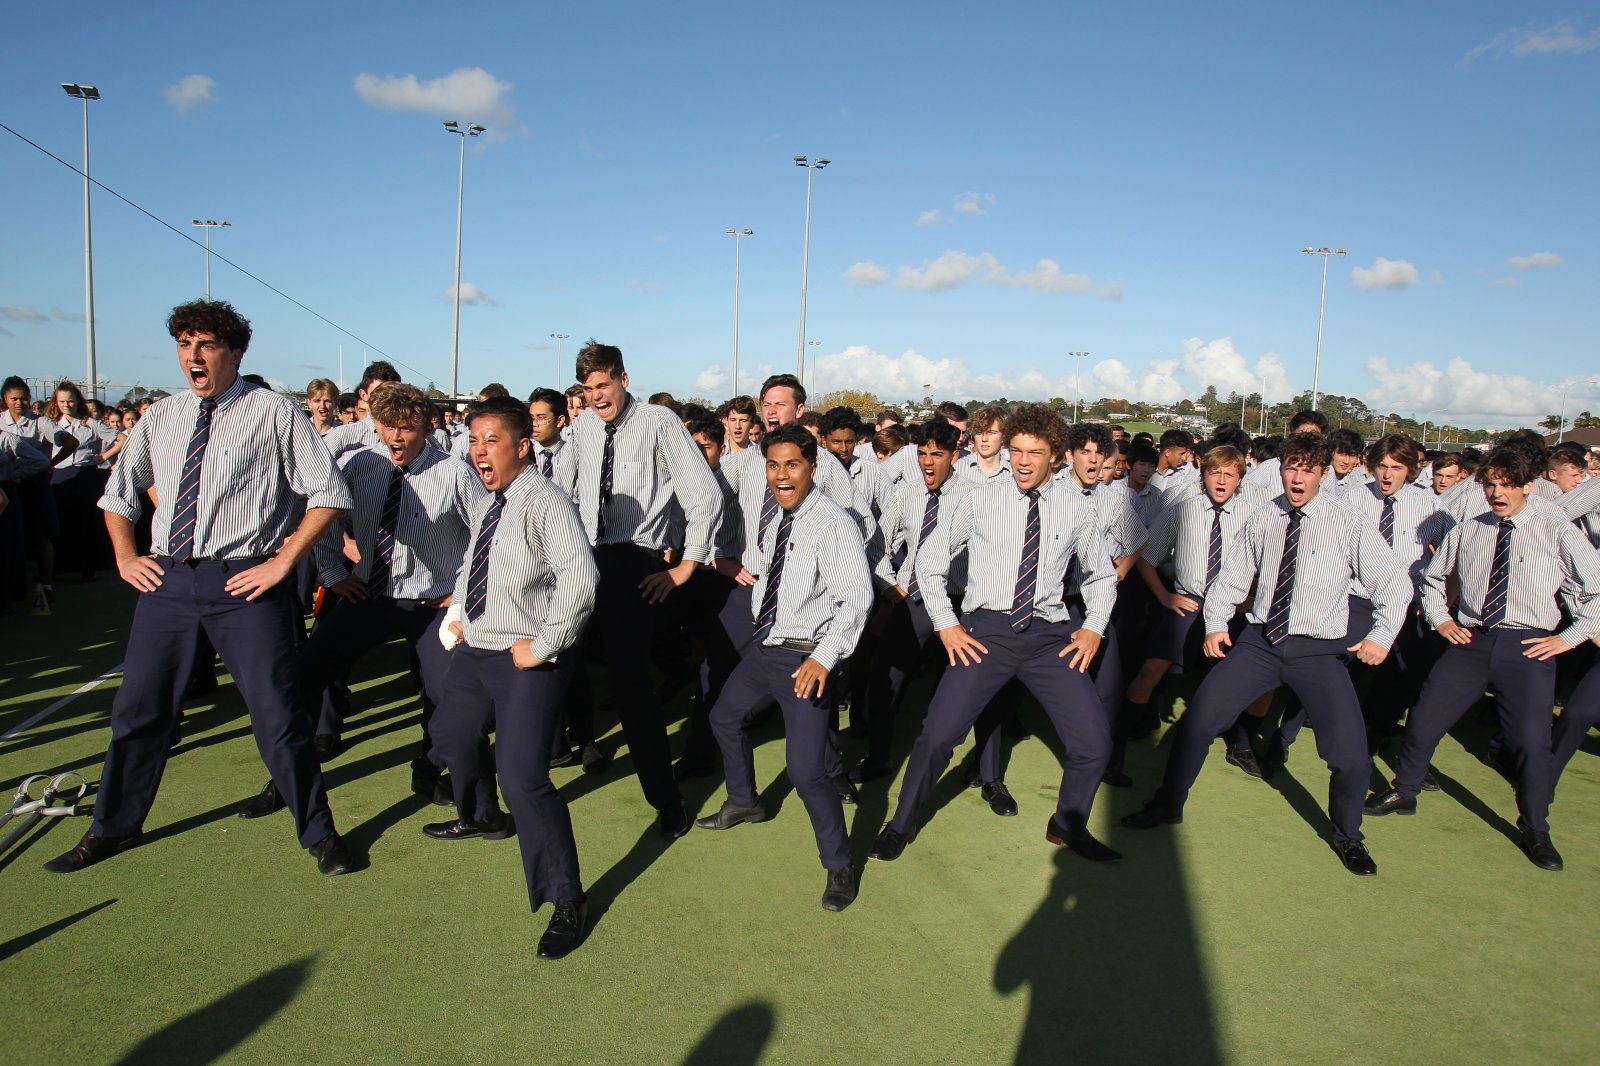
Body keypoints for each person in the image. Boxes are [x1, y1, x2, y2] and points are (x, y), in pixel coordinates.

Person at [44, 299, 356, 876]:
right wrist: (126, 557)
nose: (193, 355)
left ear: (235, 353)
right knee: (139, 710)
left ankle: (320, 834)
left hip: (244, 582)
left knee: (278, 716)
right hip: (168, 580)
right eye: (185, 343)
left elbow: (329, 493)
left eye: (206, 344)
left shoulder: (274, 412)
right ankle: (112, 827)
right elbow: (118, 495)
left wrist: (282, 562)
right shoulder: (161, 415)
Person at [1122, 432, 1410, 876]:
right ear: (1281, 470)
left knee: (1349, 756)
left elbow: (1394, 583)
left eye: (1307, 471)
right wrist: (1216, 624)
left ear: (1322, 475)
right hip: (1259, 643)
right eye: (1291, 468)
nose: (1297, 478)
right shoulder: (1264, 517)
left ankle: (1349, 836)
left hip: (1318, 651)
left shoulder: (1347, 521)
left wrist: (1382, 636)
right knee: (1197, 722)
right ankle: (1167, 804)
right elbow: (1233, 578)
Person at [869, 404, 1122, 865]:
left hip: (1050, 637)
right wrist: (947, 626)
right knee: (938, 736)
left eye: (1035, 453)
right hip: (985, 633)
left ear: (1056, 456)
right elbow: (930, 563)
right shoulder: (979, 498)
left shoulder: (1077, 506)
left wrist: (1092, 628)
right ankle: (901, 824)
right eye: (1017, 450)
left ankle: (1068, 824)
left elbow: (1101, 576)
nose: (1023, 461)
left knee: (1094, 743)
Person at [1365, 444, 1600, 871]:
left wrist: (1569, 639)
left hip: (1529, 646)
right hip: (1470, 643)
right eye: (1491, 485)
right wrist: (1441, 620)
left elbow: (1596, 588)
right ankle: (1405, 791)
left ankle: (1535, 826)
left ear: (1529, 486)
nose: (1497, 493)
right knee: (1424, 718)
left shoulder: (1556, 528)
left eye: (1507, 485)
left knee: (1530, 743)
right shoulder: (1469, 528)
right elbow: (1433, 579)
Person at [430, 396, 598, 958]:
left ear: (522, 446)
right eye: (473, 440)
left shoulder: (548, 504)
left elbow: (582, 583)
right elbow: (473, 564)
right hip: (476, 650)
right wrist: (459, 613)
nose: (478, 451)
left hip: (526, 659)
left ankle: (567, 899)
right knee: (451, 736)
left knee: (523, 779)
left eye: (491, 440)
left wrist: (543, 646)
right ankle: (483, 818)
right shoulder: (489, 502)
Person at [268, 385, 484, 800]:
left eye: (407, 428)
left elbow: (485, 535)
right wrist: (333, 571)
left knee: (446, 693)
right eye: (388, 426)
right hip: (368, 596)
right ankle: (287, 779)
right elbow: (326, 513)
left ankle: (430, 769)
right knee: (306, 674)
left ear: (427, 427)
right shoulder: (359, 464)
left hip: (430, 604)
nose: (396, 437)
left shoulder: (455, 473)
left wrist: (460, 594)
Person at [697, 424, 872, 911]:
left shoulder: (833, 524)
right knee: (723, 716)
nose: (781, 475)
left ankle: (839, 864)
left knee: (806, 772)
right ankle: (744, 800)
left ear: (812, 467)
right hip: (766, 648)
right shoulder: (777, 516)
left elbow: (856, 599)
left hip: (804, 659)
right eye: (773, 466)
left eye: (792, 464)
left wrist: (822, 658)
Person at [568, 341, 723, 838]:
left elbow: (705, 496)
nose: (596, 396)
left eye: (603, 385)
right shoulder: (583, 427)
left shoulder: (659, 422)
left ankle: (666, 799)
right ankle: (573, 748)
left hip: (633, 561)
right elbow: (565, 491)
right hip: (582, 557)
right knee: (558, 660)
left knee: (629, 682)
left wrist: (686, 566)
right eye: (587, 389)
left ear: (623, 379)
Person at [857, 418, 976, 782]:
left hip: (959, 603)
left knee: (960, 690)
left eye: (936, 454)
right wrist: (889, 585)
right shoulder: (906, 493)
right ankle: (878, 758)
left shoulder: (976, 496)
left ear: (954, 455)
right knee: (885, 680)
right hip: (913, 600)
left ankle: (978, 770)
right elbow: (876, 547)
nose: (927, 461)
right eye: (922, 453)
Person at [47, 380, 117, 579]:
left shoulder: (90, 423)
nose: (66, 405)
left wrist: (103, 457)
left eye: (70, 401)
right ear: (56, 402)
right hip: (60, 475)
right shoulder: (51, 423)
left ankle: (88, 567)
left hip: (85, 475)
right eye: (62, 401)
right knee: (62, 521)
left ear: (77, 401)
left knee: (86, 522)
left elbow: (121, 439)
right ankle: (61, 567)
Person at [323, 361, 403, 458]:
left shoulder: (414, 436)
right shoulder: (341, 436)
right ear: (363, 395)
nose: (386, 399)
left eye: (393, 393)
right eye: (378, 393)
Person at [526, 387, 576, 497]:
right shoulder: (524, 455)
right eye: (532, 418)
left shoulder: (573, 455)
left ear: (559, 421)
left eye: (541, 418)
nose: (535, 424)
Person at [957, 404, 1011, 484]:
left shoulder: (1013, 474)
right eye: (979, 433)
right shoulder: (957, 469)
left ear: (1004, 436)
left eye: (991, 433)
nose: (984, 439)